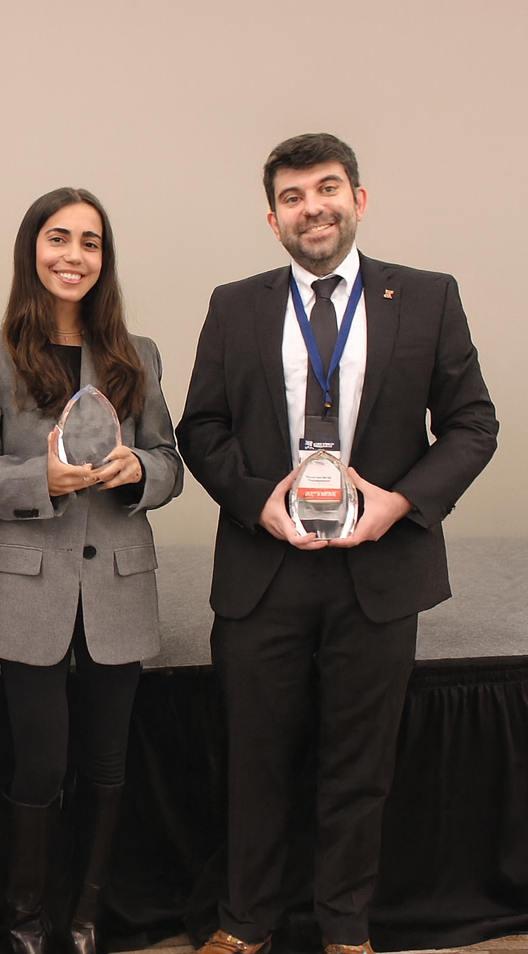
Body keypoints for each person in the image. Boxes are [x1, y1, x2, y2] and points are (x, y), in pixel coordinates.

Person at [176, 133, 497, 954]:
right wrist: (258, 500)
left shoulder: (426, 297)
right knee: (255, 761)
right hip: (264, 571)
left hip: (378, 571)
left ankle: (345, 931)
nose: (310, 206)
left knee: (361, 767)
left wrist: (403, 503)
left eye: (325, 188)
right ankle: (244, 925)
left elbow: (472, 424)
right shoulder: (234, 304)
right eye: (291, 196)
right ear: (273, 218)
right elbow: (201, 428)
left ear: (359, 198)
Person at [0, 188, 182, 954]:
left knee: (107, 762)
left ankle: (83, 922)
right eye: (58, 238)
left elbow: (171, 465)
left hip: (117, 579)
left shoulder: (135, 354)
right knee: (41, 761)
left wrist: (133, 470)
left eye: (89, 242)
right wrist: (38, 481)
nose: (72, 255)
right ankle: (26, 925)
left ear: (103, 260)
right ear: (32, 250)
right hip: (25, 582)